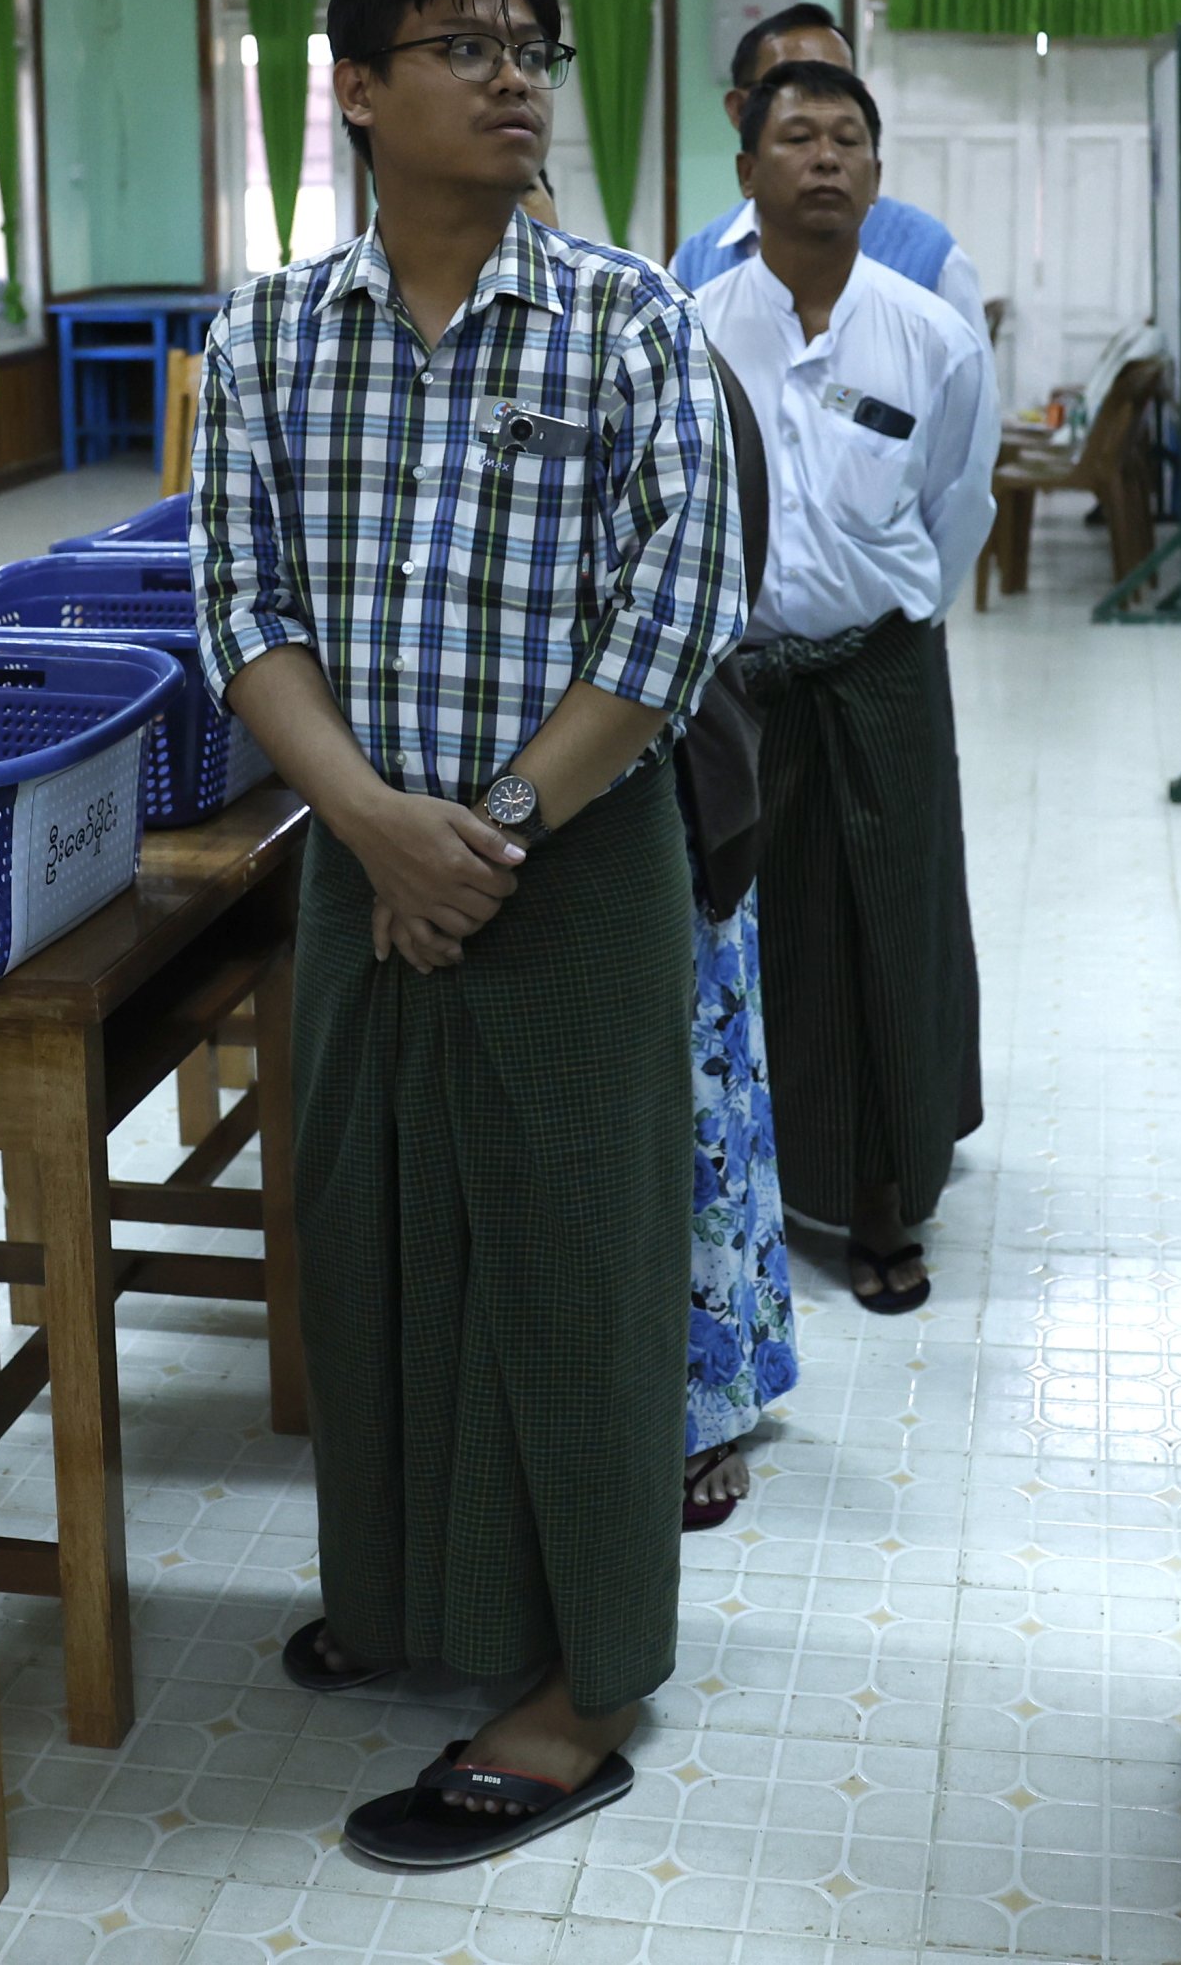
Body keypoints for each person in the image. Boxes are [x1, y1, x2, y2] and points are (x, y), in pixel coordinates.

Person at [192, 0, 739, 1868]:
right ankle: (421, 1599)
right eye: (463, 45)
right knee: (377, 1226)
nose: (514, 77)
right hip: (362, 866)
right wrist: (368, 823)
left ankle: (580, 1688)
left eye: (534, 50)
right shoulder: (265, 335)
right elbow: (240, 608)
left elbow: (675, 616)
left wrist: (481, 826)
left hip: (572, 869)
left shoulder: (627, 320)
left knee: (568, 1258)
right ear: (353, 90)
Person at [693, 61, 994, 1316]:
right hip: (741, 682)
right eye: (799, 136)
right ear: (750, 168)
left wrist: (880, 613)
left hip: (882, 676)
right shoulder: (692, 326)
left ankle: (885, 1194)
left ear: (877, 174)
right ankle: (763, 1179)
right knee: (755, 929)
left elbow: (955, 512)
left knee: (892, 926)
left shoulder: (930, 338)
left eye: (851, 140)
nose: (827, 158)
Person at [520, 172, 797, 1530]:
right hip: (492, 821)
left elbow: (711, 588)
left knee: (691, 1096)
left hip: (655, 790)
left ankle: (706, 1402)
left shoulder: (651, 341)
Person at [667, 4, 986, 335]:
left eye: (838, 85)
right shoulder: (695, 265)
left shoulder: (932, 258)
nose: (818, 98)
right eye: (788, 84)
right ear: (739, 110)